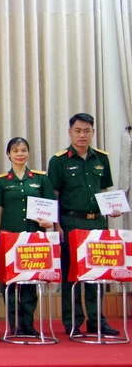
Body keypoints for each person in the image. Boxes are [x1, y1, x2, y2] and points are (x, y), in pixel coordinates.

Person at [47, 113, 122, 336]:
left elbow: (104, 190)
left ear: (93, 132)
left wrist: (112, 209)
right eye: (78, 131)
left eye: (86, 131)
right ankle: (72, 322)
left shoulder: (101, 159)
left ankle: (97, 321)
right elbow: (53, 197)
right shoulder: (59, 161)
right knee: (71, 275)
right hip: (71, 223)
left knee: (96, 273)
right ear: (70, 132)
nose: (82, 135)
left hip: (97, 223)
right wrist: (57, 227)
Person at [0, 137, 57, 337]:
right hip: (9, 238)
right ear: (8, 154)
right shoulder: (1, 181)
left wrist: (48, 224)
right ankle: (14, 324)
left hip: (32, 238)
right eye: (15, 150)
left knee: (30, 282)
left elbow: (51, 209)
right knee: (9, 283)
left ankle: (28, 323)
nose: (20, 154)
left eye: (23, 150)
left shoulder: (40, 179)